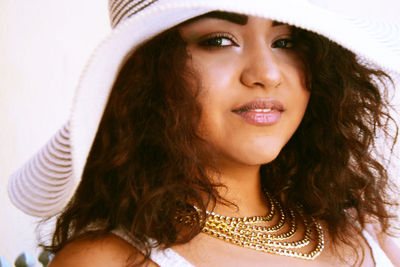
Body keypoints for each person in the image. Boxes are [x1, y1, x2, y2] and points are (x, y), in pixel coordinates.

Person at [7, 0, 400, 266]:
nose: (266, 73)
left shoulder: (373, 235)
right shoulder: (109, 260)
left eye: (286, 41)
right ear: (149, 75)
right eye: (219, 41)